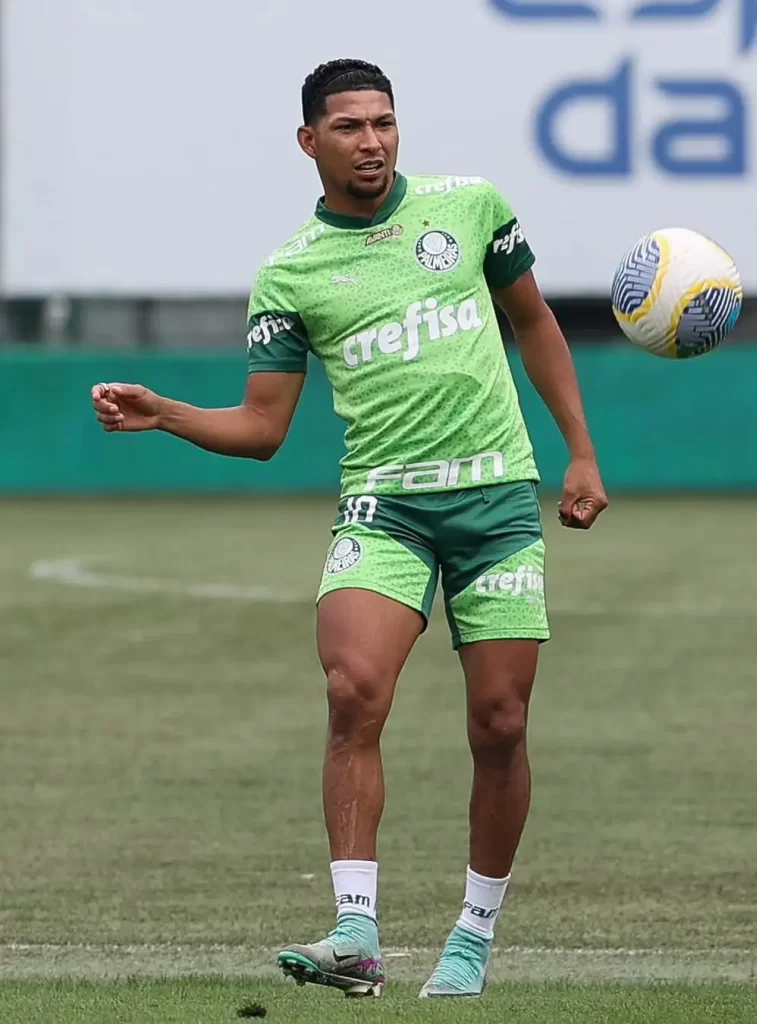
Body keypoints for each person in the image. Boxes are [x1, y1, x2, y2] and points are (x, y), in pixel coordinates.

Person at [90, 58, 608, 1000]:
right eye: (349, 128)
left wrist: (579, 453)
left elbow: (531, 321)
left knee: (499, 724)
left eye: (384, 123)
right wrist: (164, 411)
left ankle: (470, 937)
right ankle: (357, 933)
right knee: (351, 689)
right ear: (309, 143)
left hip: (495, 502)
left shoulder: (470, 207)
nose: (371, 142)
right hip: (386, 505)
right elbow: (262, 429)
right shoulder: (292, 272)